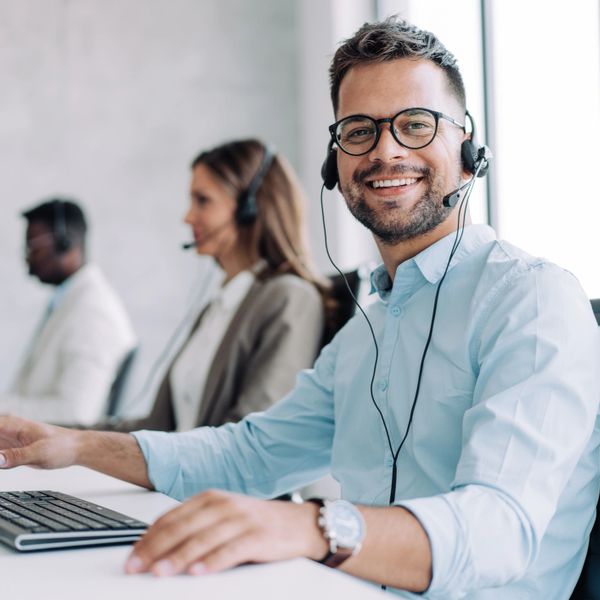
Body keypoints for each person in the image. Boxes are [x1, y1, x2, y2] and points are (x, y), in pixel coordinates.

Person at [0, 17, 598, 598]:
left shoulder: (533, 302)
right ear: (334, 164)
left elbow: (500, 529)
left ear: (468, 146)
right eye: (359, 130)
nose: (385, 151)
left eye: (415, 124)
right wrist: (71, 445)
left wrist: (311, 527)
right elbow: (252, 453)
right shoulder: (370, 328)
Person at [97, 139, 326, 432]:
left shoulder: (290, 299)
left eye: (202, 200)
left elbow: (255, 439)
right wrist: (56, 433)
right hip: (184, 475)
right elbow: (157, 428)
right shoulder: (218, 307)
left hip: (215, 479)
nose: (188, 216)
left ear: (250, 207)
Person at [0, 199, 137, 426]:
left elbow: (77, 412)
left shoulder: (94, 312)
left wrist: (4, 408)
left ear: (65, 243)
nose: (27, 258)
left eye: (33, 247)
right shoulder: (69, 300)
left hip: (55, 451)